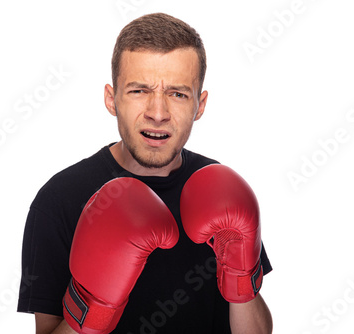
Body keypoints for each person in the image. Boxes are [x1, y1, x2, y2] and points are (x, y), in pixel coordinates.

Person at [17, 12, 273, 334]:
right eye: (139, 91)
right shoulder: (60, 200)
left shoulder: (221, 188)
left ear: (200, 105)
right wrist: (94, 307)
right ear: (112, 99)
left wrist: (240, 282)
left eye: (177, 94)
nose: (157, 113)